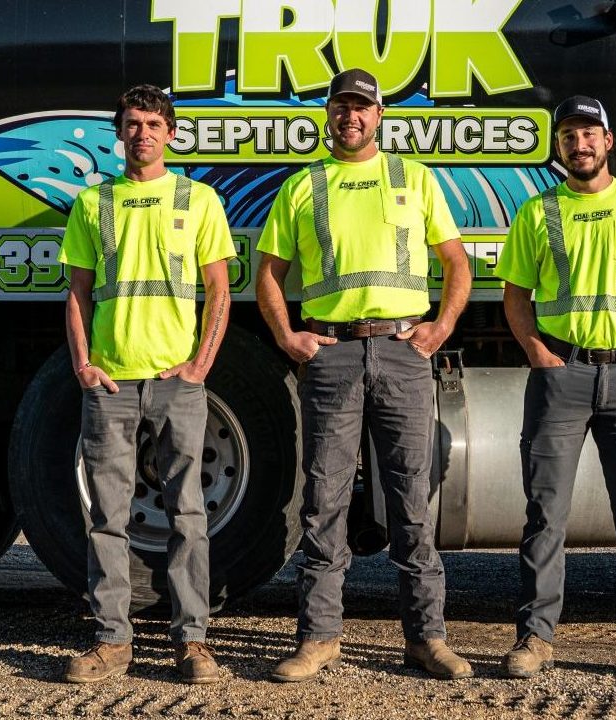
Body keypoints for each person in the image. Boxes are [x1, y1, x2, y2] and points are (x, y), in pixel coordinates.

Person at [256, 68, 473, 682]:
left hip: (404, 351)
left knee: (410, 496)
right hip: (334, 355)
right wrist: (287, 336)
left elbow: (455, 263)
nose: (351, 116)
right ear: (328, 116)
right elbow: (268, 272)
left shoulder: (414, 179)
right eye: (340, 107)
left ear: (379, 116)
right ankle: (319, 639)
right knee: (323, 499)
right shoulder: (304, 186)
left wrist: (440, 327)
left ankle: (426, 638)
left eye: (362, 107)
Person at [494, 95, 616, 678]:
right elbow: (515, 295)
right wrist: (539, 355)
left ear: (609, 141)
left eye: (589, 134)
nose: (580, 144)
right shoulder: (537, 212)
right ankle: (536, 639)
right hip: (562, 377)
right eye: (569, 136)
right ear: (559, 146)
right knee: (545, 513)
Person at [58, 84, 235, 684]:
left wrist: (200, 365)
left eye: (154, 124)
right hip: (111, 384)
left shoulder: (200, 199)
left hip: (177, 383)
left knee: (187, 514)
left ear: (171, 133)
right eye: (133, 124)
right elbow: (78, 293)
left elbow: (218, 291)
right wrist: (84, 365)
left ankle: (193, 642)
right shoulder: (92, 204)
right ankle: (111, 643)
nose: (144, 134)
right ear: (120, 132)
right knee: (108, 518)